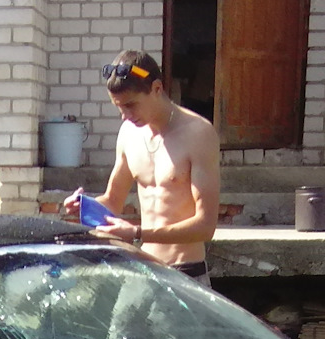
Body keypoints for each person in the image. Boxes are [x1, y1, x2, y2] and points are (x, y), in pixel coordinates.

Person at [62, 50, 222, 284]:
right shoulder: (129, 133)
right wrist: (84, 207)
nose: (125, 116)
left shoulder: (199, 134)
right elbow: (112, 201)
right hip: (143, 268)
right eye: (119, 108)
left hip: (185, 273)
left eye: (131, 105)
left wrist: (136, 233)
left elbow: (206, 226)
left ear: (157, 89)